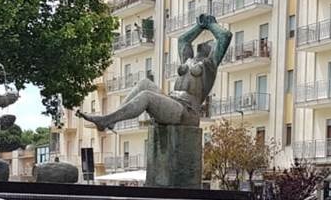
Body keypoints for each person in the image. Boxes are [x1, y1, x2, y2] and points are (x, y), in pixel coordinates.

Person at [77, 14, 231, 131]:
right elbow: (183, 40)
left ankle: (106, 120)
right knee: (144, 83)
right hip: (173, 101)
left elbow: (225, 36)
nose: (205, 44)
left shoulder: (209, 66)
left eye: (209, 45)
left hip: (187, 112)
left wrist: (211, 25)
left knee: (146, 96)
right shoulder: (188, 60)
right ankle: (112, 120)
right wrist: (199, 26)